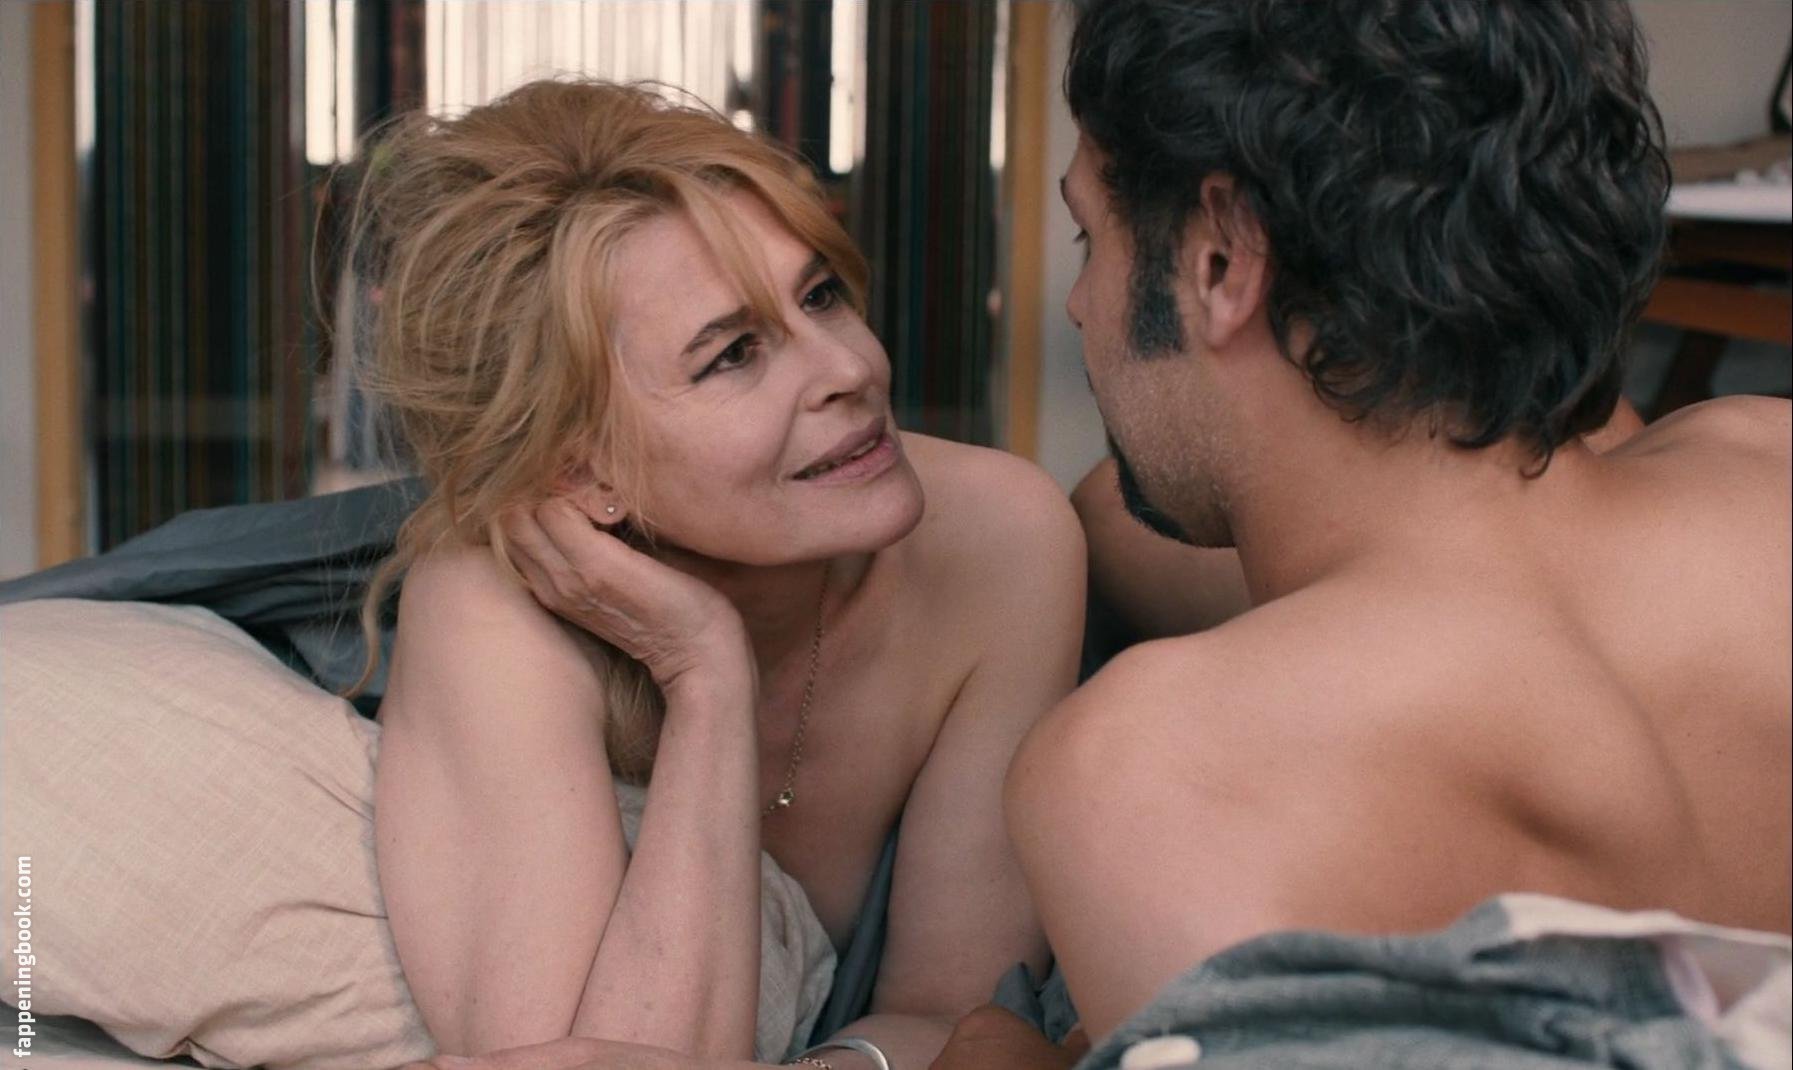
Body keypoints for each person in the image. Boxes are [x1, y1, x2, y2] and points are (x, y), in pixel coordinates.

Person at [0, 79, 1084, 1070]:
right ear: (581, 467)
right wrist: (705, 675)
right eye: (732, 354)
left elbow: (950, 1008)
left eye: (821, 297)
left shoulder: (1001, 535)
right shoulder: (487, 598)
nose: (849, 369)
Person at [963, 0, 1791, 1061]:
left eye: (1092, 237)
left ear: (1219, 259)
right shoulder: (1763, 461)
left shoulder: (1144, 768)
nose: (1082, 303)